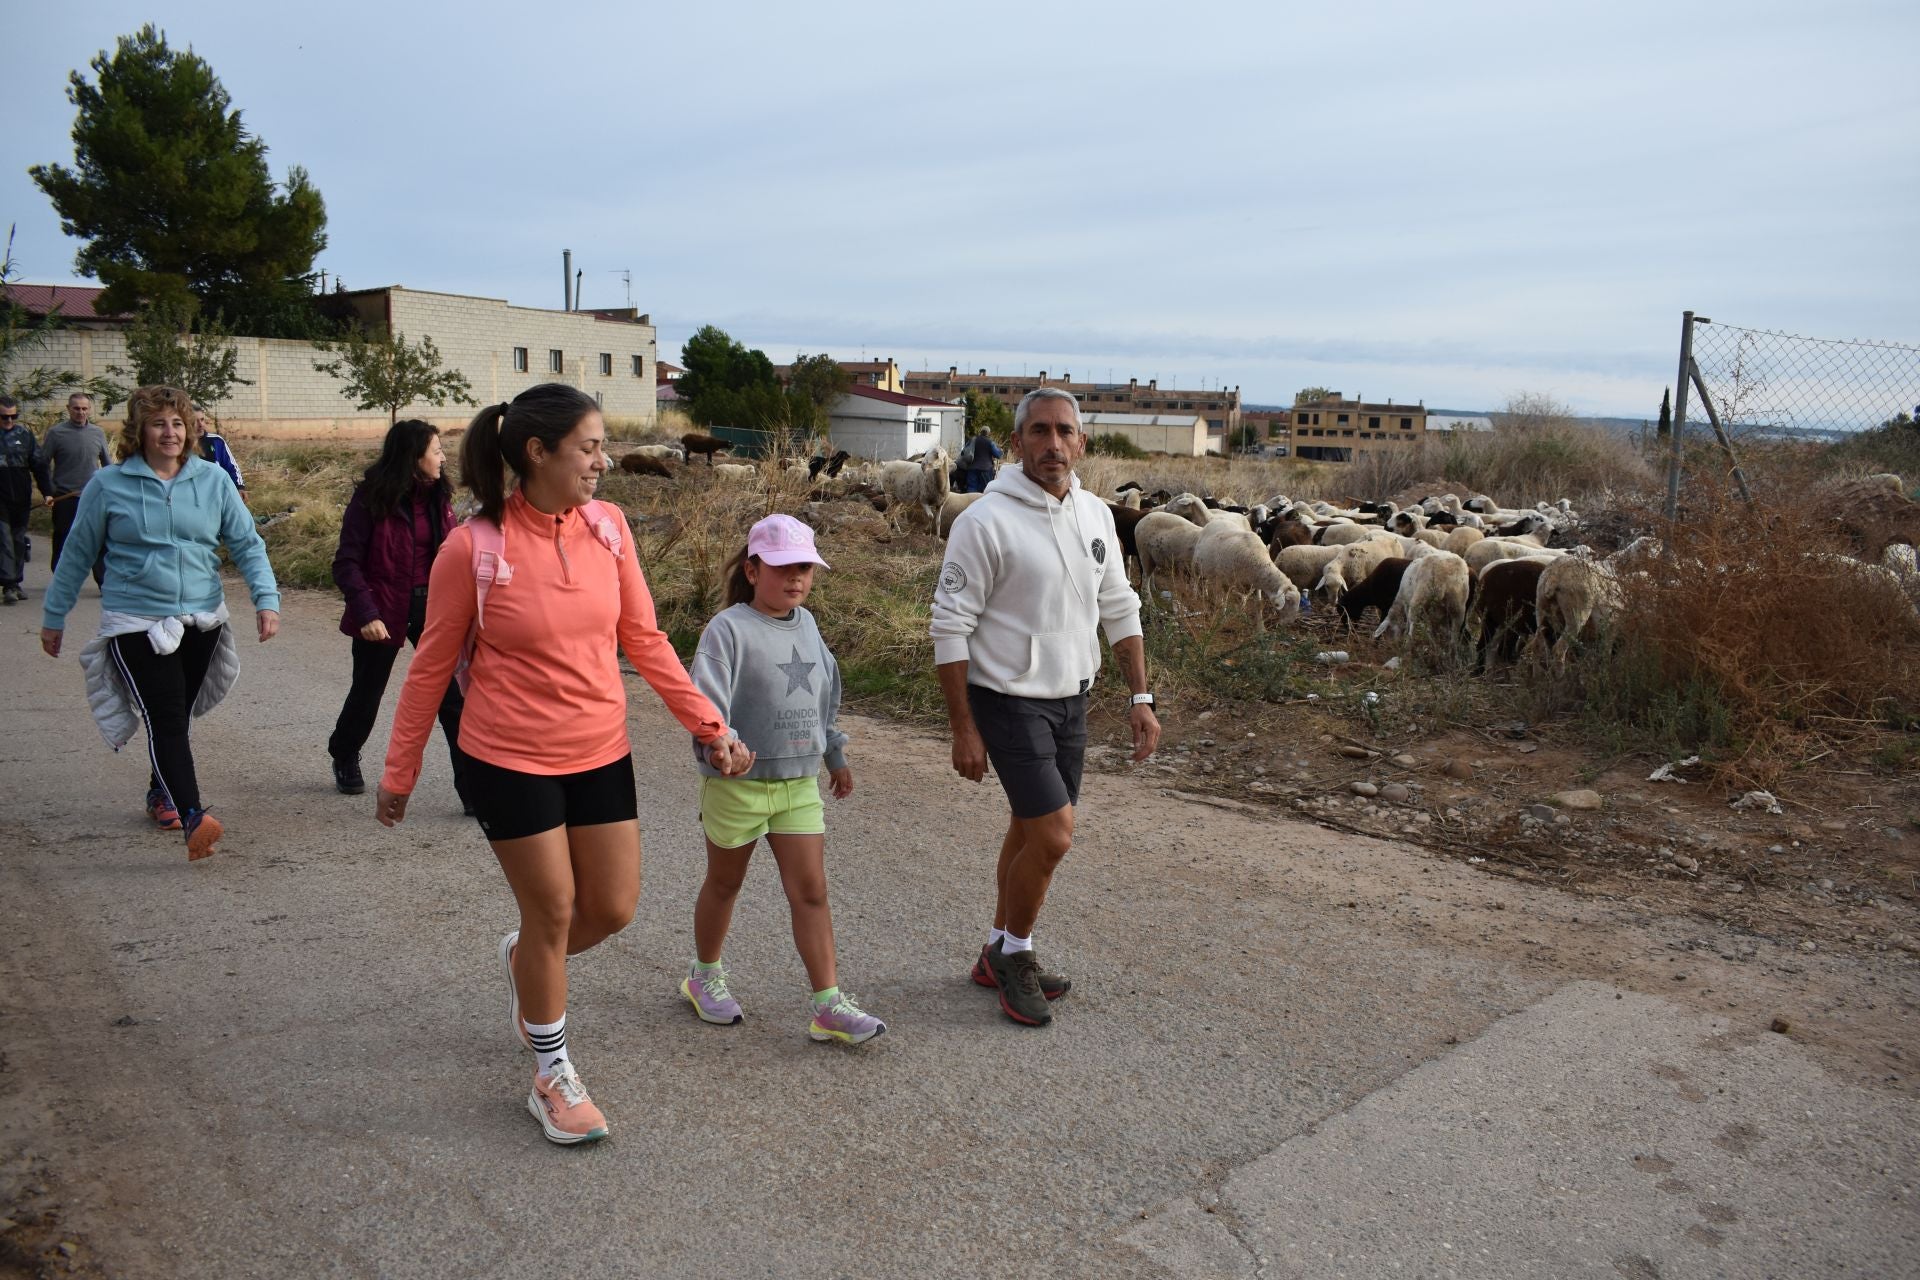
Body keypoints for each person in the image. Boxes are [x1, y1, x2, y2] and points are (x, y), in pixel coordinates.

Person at [375, 383, 754, 1147]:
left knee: (610, 908)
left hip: (601, 749)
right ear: (537, 453)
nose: (603, 461)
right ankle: (552, 1073)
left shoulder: (610, 529)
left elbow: (644, 641)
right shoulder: (473, 547)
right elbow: (431, 667)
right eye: (588, 446)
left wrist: (711, 726)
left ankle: (524, 962)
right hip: (507, 757)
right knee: (551, 907)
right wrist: (400, 770)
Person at [930, 387, 1160, 1027]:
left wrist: (1140, 697)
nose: (1052, 444)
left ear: (1082, 441)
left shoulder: (1095, 516)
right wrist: (962, 728)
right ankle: (1017, 956)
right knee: (1055, 834)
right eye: (1038, 431)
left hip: (1071, 696)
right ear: (1017, 442)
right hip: (1005, 697)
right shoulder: (984, 521)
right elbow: (949, 625)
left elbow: (1120, 607)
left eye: (1064, 431)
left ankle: (997, 951)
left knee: (1031, 829)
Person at [39, 385, 281, 859]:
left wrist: (266, 599)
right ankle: (192, 813)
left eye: (177, 423)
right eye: (158, 423)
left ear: (189, 429)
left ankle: (160, 789)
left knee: (175, 714)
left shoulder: (213, 480)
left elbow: (247, 544)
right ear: (139, 430)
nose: (169, 432)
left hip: (201, 617)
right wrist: (54, 615)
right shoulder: (109, 484)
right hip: (136, 618)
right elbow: (77, 552)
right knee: (166, 714)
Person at [680, 513, 885, 1045]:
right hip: (737, 785)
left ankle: (828, 1005)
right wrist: (719, 747)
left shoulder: (809, 625)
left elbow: (825, 696)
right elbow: (704, 700)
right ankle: (704, 977)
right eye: (782, 567)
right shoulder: (727, 629)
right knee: (725, 884)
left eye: (805, 568)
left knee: (811, 891)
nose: (795, 578)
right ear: (751, 569)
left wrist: (834, 753)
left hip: (797, 785)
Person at [327, 419, 469, 808]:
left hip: (432, 606)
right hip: (381, 606)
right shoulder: (371, 497)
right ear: (414, 456)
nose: (443, 457)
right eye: (437, 450)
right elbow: (347, 563)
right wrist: (367, 612)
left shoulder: (440, 497)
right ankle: (343, 752)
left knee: (452, 698)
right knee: (368, 691)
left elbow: (454, 557)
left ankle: (471, 789)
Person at [40, 392, 110, 587]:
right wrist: (48, 491)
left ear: (89, 409)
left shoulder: (97, 433)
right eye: (77, 408)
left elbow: (107, 463)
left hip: (92, 496)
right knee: (64, 538)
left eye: (84, 408)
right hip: (65, 496)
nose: (81, 412)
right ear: (68, 409)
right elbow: (42, 463)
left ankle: (104, 582)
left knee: (99, 540)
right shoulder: (56, 433)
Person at [0, 396, 41, 604]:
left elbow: (38, 463)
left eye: (13, 416)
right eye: (4, 417)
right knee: (4, 539)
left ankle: (15, 581)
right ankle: (7, 584)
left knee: (18, 540)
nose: (9, 421)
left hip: (20, 496)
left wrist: (48, 491)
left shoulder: (24, 435)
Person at [192, 404, 246, 498]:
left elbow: (231, 466)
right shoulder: (179, 445)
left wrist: (239, 486)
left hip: (218, 495)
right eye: (194, 421)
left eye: (202, 420)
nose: (200, 425)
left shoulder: (216, 441)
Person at [958, 424, 1002, 493]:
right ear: (988, 433)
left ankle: (972, 503)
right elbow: (998, 455)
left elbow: (963, 452)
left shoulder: (973, 440)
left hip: (972, 468)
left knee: (971, 489)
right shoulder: (990, 442)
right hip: (986, 470)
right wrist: (1001, 451)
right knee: (986, 490)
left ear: (980, 432)